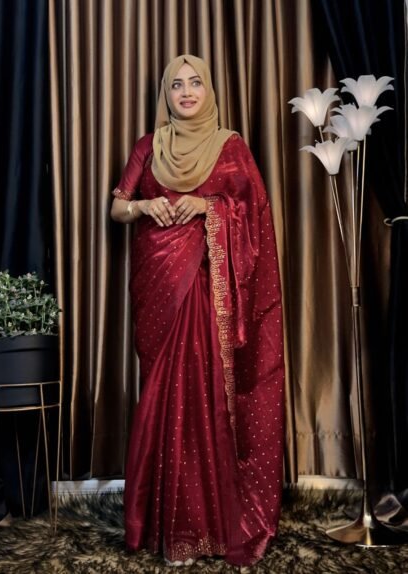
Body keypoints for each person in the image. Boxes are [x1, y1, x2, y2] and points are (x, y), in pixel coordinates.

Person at [110, 54, 285, 567]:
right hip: (159, 289)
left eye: (195, 83)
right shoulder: (149, 145)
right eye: (177, 85)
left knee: (202, 394)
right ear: (165, 94)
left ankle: (208, 526)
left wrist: (208, 206)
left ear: (209, 90)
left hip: (209, 290)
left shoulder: (231, 147)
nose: (186, 92)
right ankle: (163, 527)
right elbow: (117, 206)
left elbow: (254, 213)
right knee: (163, 398)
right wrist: (144, 206)